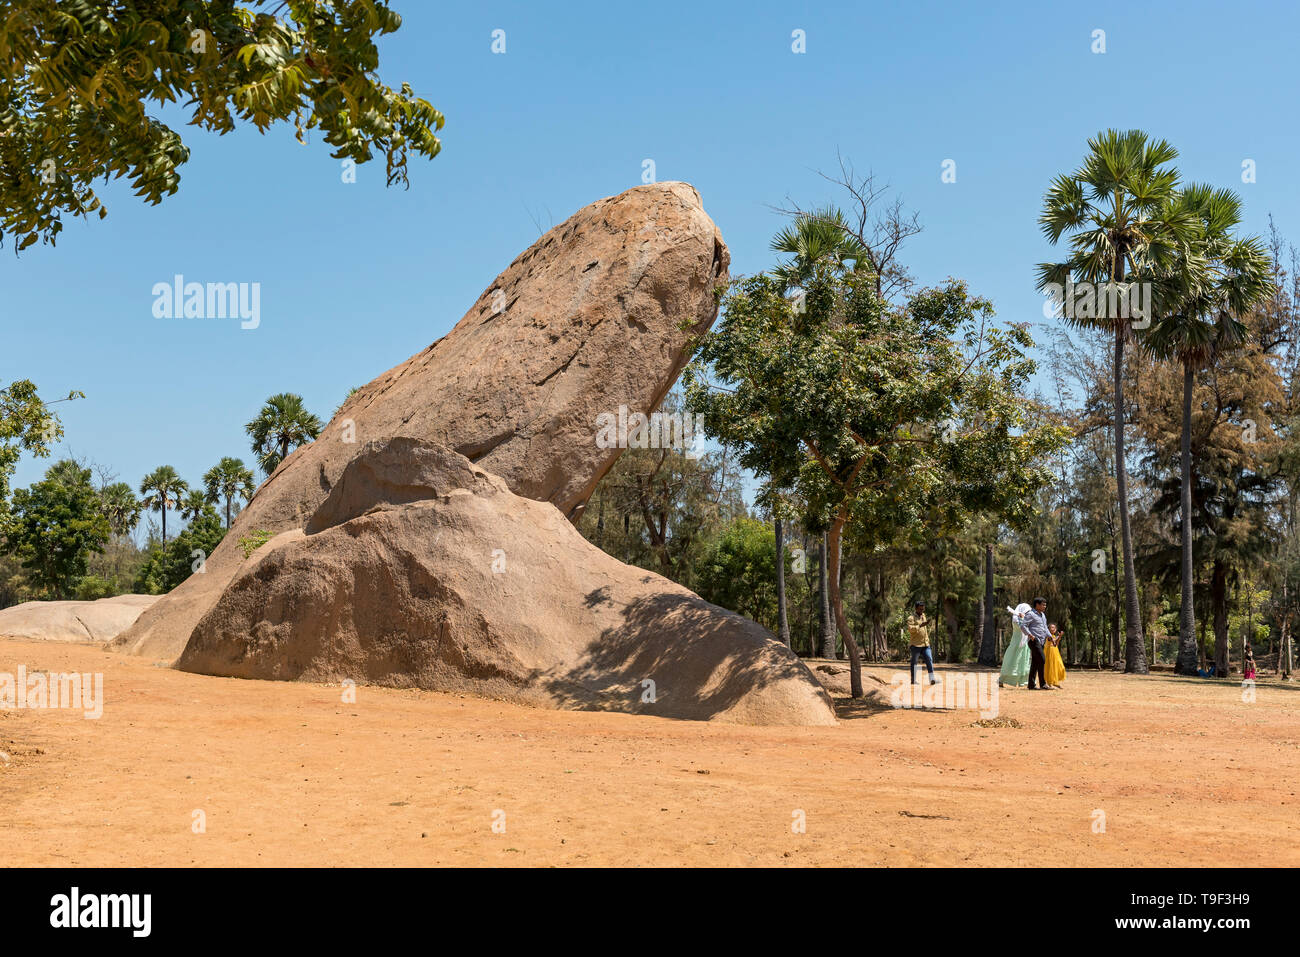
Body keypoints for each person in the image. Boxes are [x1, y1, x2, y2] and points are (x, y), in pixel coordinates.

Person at [1022, 597, 1053, 690]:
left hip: (1042, 641)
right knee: (1042, 659)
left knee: (1035, 663)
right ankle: (1043, 684)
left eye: (1045, 605)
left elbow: (1045, 628)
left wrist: (1050, 636)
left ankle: (1031, 685)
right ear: (1037, 605)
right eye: (1043, 605)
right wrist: (1030, 635)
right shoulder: (1030, 614)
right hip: (1034, 641)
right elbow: (1023, 625)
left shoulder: (1043, 615)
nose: (1045, 606)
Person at [999, 603, 1032, 687]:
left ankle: (1022, 681)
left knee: (1023, 662)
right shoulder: (1015, 619)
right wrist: (1022, 618)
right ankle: (1002, 680)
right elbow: (1021, 627)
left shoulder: (1026, 618)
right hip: (1016, 644)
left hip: (1025, 644)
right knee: (1012, 662)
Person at [906, 600, 938, 686]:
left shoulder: (923, 616)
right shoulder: (911, 618)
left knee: (929, 659)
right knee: (914, 662)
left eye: (923, 609)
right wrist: (920, 625)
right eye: (920, 609)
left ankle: (932, 678)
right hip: (915, 644)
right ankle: (913, 680)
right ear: (916, 608)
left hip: (925, 644)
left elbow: (925, 628)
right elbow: (910, 629)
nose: (922, 611)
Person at [1044, 622, 1067, 688]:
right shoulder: (1049, 636)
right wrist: (1059, 636)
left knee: (1058, 666)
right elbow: (1052, 640)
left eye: (1054, 627)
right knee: (1051, 667)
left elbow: (1055, 644)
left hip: (1055, 652)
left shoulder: (1054, 636)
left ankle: (1055, 682)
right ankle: (1050, 683)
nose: (1053, 629)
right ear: (1048, 629)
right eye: (1052, 627)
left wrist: (1059, 638)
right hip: (1050, 652)